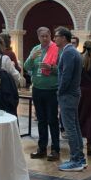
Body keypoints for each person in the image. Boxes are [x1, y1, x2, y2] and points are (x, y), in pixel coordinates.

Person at [25, 26, 61, 161]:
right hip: (37, 89)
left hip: (51, 89)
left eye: (47, 36)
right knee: (41, 120)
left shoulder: (56, 49)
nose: (45, 38)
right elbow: (26, 67)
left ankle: (55, 150)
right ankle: (42, 148)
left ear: (50, 36)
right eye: (42, 36)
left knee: (52, 120)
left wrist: (51, 68)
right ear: (38, 37)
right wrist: (31, 58)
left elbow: (62, 69)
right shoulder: (35, 49)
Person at [55, 27, 85, 171]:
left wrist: (59, 92)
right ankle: (80, 158)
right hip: (73, 93)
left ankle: (76, 160)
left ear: (63, 38)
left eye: (56, 36)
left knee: (70, 128)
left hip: (68, 94)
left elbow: (66, 75)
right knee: (75, 126)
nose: (54, 39)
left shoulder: (68, 52)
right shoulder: (73, 51)